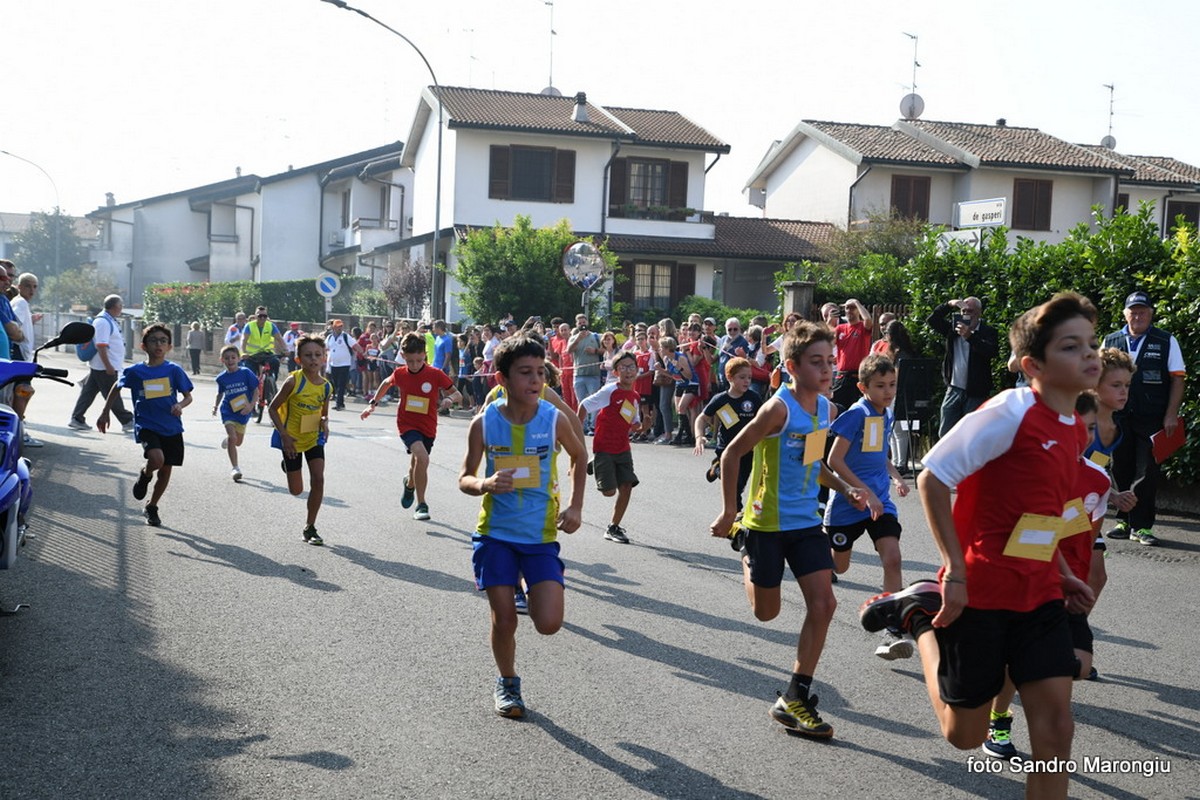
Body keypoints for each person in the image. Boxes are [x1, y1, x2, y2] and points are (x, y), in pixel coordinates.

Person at [859, 292, 1100, 800]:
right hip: (983, 591)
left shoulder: (1076, 430)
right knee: (963, 736)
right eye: (1073, 347)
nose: (1091, 355)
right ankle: (920, 620)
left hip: (1040, 599)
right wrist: (954, 571)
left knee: (1056, 732)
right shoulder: (1011, 411)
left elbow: (1040, 514)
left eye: (1092, 344)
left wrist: (1060, 571)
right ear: (1034, 365)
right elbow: (932, 477)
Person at [709, 321, 869, 740]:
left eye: (830, 361)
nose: (828, 369)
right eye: (817, 362)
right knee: (767, 613)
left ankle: (796, 695)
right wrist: (729, 512)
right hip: (766, 522)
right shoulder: (777, 409)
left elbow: (814, 466)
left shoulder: (825, 409)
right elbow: (731, 454)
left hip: (805, 523)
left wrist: (846, 486)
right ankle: (744, 549)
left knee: (825, 603)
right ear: (793, 366)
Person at [458, 335, 586, 718]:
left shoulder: (553, 419)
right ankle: (508, 683)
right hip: (495, 535)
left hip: (540, 537)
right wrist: (484, 484)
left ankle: (530, 580)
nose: (535, 381)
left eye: (541, 373)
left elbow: (580, 455)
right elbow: (464, 477)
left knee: (548, 623)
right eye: (525, 373)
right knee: (505, 618)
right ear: (502, 379)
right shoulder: (484, 423)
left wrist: (577, 507)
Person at [981, 390, 1114, 761]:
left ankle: (1030, 678)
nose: (1083, 436)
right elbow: (1026, 536)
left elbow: (1089, 536)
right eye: (1076, 425)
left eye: (1089, 428)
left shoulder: (1098, 480)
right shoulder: (1036, 469)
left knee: (1080, 666)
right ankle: (999, 724)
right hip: (1031, 581)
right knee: (1016, 667)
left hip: (1069, 589)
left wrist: (1083, 577)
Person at [824, 353, 913, 660]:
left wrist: (896, 476)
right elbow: (834, 461)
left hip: (879, 503)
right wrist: (862, 492)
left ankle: (892, 628)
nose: (887, 392)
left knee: (893, 558)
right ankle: (810, 549)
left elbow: (878, 453)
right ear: (863, 387)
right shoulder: (856, 414)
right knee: (839, 566)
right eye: (880, 386)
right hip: (849, 503)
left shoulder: (885, 413)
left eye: (892, 385)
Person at [1101, 291, 1186, 546]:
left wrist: (1171, 413)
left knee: (1147, 470)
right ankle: (1124, 519)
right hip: (1118, 417)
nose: (1137, 316)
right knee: (1120, 467)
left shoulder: (1165, 340)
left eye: (1142, 311)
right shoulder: (1111, 339)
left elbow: (1178, 378)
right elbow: (1098, 378)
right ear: (1125, 314)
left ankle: (1142, 526)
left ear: (1151, 313)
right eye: (1133, 311)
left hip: (1153, 418)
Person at [96, 322, 194, 528]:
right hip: (147, 425)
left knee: (166, 470)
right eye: (153, 340)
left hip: (172, 427)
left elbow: (188, 396)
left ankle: (152, 506)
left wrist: (179, 404)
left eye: (163, 341)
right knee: (157, 460)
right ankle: (145, 473)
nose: (158, 344)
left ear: (169, 347)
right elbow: (116, 387)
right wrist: (105, 412)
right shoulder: (136, 372)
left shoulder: (174, 371)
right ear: (143, 346)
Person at [362, 332, 460, 521]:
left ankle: (409, 483)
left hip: (428, 425)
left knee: (417, 462)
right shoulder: (400, 373)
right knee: (422, 458)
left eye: (418, 360)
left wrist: (449, 398)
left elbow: (457, 394)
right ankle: (421, 504)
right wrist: (372, 404)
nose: (414, 365)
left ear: (424, 355)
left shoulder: (435, 374)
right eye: (410, 361)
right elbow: (385, 383)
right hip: (407, 423)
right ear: (403, 357)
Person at [269, 334, 332, 545]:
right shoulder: (293, 381)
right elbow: (272, 409)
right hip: (292, 440)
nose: (313, 359)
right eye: (308, 355)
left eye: (317, 355)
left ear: (324, 357)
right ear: (298, 359)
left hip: (313, 438)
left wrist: (324, 422)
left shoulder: (325, 387)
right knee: (296, 490)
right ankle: (287, 466)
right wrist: (284, 436)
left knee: (319, 479)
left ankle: (310, 527)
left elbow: (324, 413)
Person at [577, 351, 646, 544]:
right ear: (616, 371)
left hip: (623, 448)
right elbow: (584, 405)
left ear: (637, 370)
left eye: (631, 367)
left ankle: (613, 527)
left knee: (627, 486)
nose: (628, 371)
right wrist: (576, 434)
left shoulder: (634, 396)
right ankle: (596, 462)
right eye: (623, 367)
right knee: (609, 492)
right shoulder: (610, 390)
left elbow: (635, 425)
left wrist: (645, 425)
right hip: (604, 447)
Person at [693, 357, 762, 522]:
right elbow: (701, 418)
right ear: (730, 377)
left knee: (741, 483)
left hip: (749, 449)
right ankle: (736, 514)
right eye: (742, 377)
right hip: (727, 449)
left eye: (749, 378)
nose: (747, 381)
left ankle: (716, 470)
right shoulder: (721, 399)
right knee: (735, 485)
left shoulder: (754, 398)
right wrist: (699, 437)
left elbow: (764, 420)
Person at [926, 297, 999, 437]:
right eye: (963, 311)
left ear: (979, 313)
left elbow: (991, 351)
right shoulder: (954, 330)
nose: (967, 315)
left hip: (976, 391)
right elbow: (932, 320)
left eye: (970, 311)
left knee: (972, 433)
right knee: (945, 432)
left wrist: (970, 337)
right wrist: (949, 304)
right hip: (954, 388)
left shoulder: (987, 332)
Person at [69, 294, 135, 433]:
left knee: (88, 392)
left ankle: (77, 418)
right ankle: (127, 420)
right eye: (120, 306)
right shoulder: (103, 322)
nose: (121, 309)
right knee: (113, 394)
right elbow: (101, 345)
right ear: (115, 307)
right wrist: (108, 366)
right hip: (104, 367)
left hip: (101, 366)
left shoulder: (109, 320)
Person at [212, 344, 260, 482]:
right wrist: (215, 406)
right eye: (227, 358)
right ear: (222, 360)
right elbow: (220, 393)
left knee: (237, 442)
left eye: (233, 357)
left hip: (243, 412)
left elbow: (256, 390)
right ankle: (235, 468)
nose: (230, 360)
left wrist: (251, 405)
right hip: (228, 411)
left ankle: (228, 440)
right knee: (233, 437)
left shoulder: (246, 373)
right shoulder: (221, 378)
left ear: (238, 359)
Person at [9, 269, 44, 447]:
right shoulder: (20, 303)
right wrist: (21, 337)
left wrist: (31, 319)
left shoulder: (21, 303)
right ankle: (18, 430)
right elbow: (14, 326)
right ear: (19, 286)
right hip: (20, 355)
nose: (32, 290)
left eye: (35, 287)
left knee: (23, 392)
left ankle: (18, 428)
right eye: (28, 286)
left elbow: (18, 321)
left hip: (22, 355)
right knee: (23, 391)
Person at [832, 298, 874, 408]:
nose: (849, 310)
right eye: (847, 308)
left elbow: (868, 320)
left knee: (857, 408)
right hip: (842, 376)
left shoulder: (862, 327)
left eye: (852, 308)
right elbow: (828, 343)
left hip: (857, 376)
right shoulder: (840, 328)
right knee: (836, 406)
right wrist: (829, 320)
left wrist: (856, 303)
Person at [568, 315, 603, 433]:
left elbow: (605, 350)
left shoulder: (596, 336)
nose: (582, 324)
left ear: (587, 322)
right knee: (581, 401)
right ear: (576, 324)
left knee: (594, 401)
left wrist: (595, 351)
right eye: (579, 323)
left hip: (593, 374)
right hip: (578, 374)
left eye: (584, 322)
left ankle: (593, 426)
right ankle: (582, 426)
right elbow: (568, 350)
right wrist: (578, 339)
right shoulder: (573, 337)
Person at [241, 305, 286, 381]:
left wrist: (285, 349)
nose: (262, 318)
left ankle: (272, 381)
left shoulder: (271, 325)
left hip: (267, 354)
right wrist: (243, 352)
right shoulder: (249, 326)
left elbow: (279, 338)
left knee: (275, 362)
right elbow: (243, 340)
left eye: (265, 316)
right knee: (249, 374)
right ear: (255, 316)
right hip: (252, 355)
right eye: (260, 316)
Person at [324, 319, 354, 411]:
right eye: (337, 326)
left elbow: (355, 345)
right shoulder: (329, 337)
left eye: (341, 326)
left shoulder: (346, 336)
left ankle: (339, 404)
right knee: (336, 384)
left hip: (345, 364)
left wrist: (363, 353)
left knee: (341, 384)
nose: (339, 328)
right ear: (333, 327)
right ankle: (340, 402)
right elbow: (325, 348)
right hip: (333, 364)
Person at [716, 317, 749, 393]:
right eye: (729, 329)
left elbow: (745, 361)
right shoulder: (723, 339)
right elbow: (718, 356)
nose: (732, 331)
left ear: (739, 329)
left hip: (733, 378)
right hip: (721, 376)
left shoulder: (743, 342)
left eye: (735, 329)